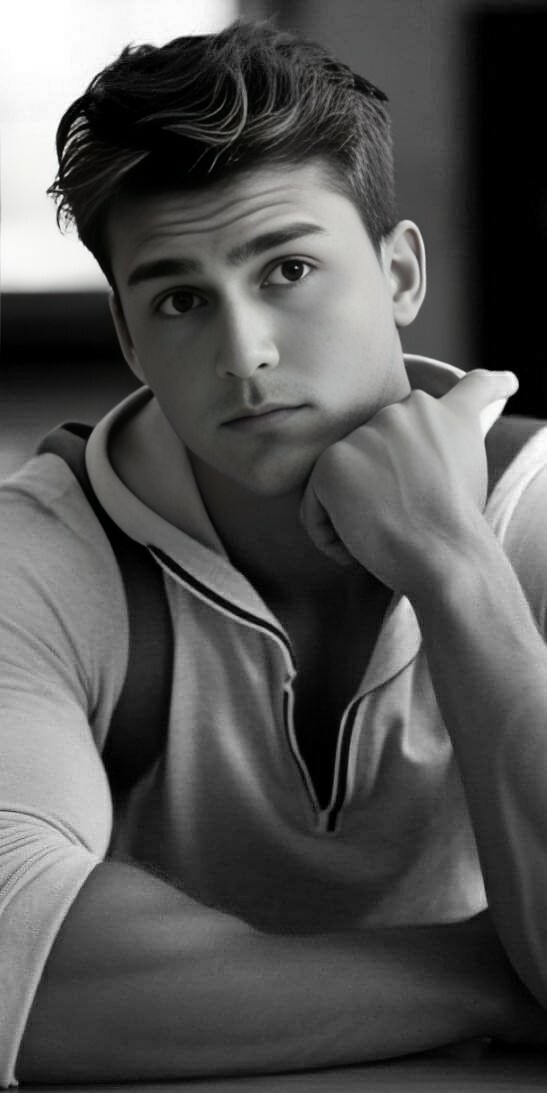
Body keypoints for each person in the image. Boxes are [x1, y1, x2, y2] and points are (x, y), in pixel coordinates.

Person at [2, 18, 547, 1086]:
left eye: (288, 268)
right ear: (129, 339)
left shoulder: (532, 512)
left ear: (399, 273)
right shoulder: (39, 559)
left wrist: (452, 563)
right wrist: (503, 975)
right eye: (180, 299)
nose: (243, 353)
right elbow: (19, 974)